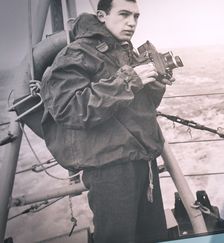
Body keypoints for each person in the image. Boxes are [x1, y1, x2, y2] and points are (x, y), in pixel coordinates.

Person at [40, 0, 173, 242]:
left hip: (143, 161)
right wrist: (129, 81)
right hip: (110, 169)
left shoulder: (125, 52)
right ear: (101, 15)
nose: (131, 23)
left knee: (153, 236)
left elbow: (139, 107)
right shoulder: (75, 54)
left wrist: (155, 86)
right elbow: (69, 109)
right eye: (124, 14)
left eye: (136, 16)